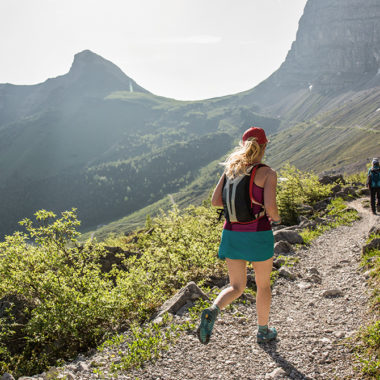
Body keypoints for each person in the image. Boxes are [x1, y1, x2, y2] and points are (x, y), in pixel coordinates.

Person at [197, 126, 281, 345]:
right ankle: (263, 331)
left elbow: (216, 201)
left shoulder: (231, 170)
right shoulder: (267, 173)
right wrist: (277, 218)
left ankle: (213, 310)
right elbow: (271, 209)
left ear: (243, 146)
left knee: (236, 286)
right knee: (263, 285)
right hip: (258, 233)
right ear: (264, 145)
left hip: (232, 233)